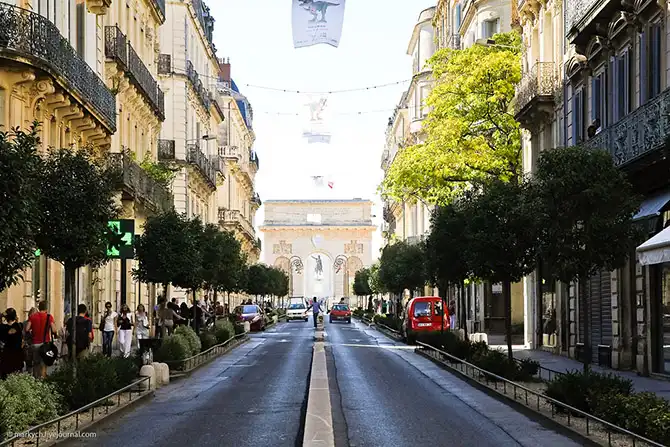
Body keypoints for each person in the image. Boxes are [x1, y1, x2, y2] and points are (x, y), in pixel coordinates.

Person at [24, 301, 57, 379]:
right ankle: (43, 379)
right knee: (44, 363)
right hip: (45, 344)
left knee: (36, 363)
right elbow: (54, 330)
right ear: (46, 308)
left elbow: (27, 329)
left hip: (35, 343)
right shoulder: (49, 317)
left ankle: (36, 379)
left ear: (39, 307)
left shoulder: (32, 316)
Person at [0, 308, 25, 378]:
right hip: (17, 355)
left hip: (6, 355)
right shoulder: (19, 326)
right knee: (16, 376)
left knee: (5, 376)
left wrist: (2, 316)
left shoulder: (2, 328)